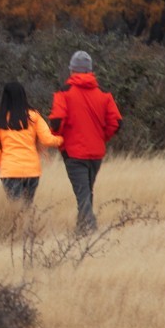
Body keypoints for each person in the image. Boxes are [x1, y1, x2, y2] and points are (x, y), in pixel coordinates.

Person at [47, 50, 122, 233]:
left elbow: (57, 120)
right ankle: (81, 232)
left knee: (83, 195)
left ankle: (91, 232)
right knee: (86, 193)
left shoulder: (63, 93)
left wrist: (59, 139)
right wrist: (102, 138)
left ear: (72, 70)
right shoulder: (104, 94)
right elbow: (117, 122)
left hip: (74, 153)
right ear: (90, 71)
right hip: (96, 153)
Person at [0, 81, 60, 206]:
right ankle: (28, 226)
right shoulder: (33, 116)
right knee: (27, 207)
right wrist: (63, 139)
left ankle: (19, 226)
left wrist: (0, 162)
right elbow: (47, 139)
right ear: (23, 96)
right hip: (32, 170)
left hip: (10, 169)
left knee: (15, 209)